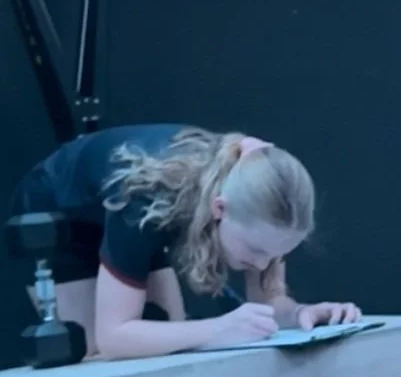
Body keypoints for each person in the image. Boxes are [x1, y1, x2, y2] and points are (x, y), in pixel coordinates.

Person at [5, 124, 361, 360]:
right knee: (99, 351)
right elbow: (114, 338)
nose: (265, 265)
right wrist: (218, 328)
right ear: (220, 209)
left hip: (144, 208)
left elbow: (267, 301)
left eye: (279, 255)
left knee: (171, 339)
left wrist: (300, 314)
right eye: (256, 252)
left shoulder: (265, 206)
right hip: (62, 211)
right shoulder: (143, 204)